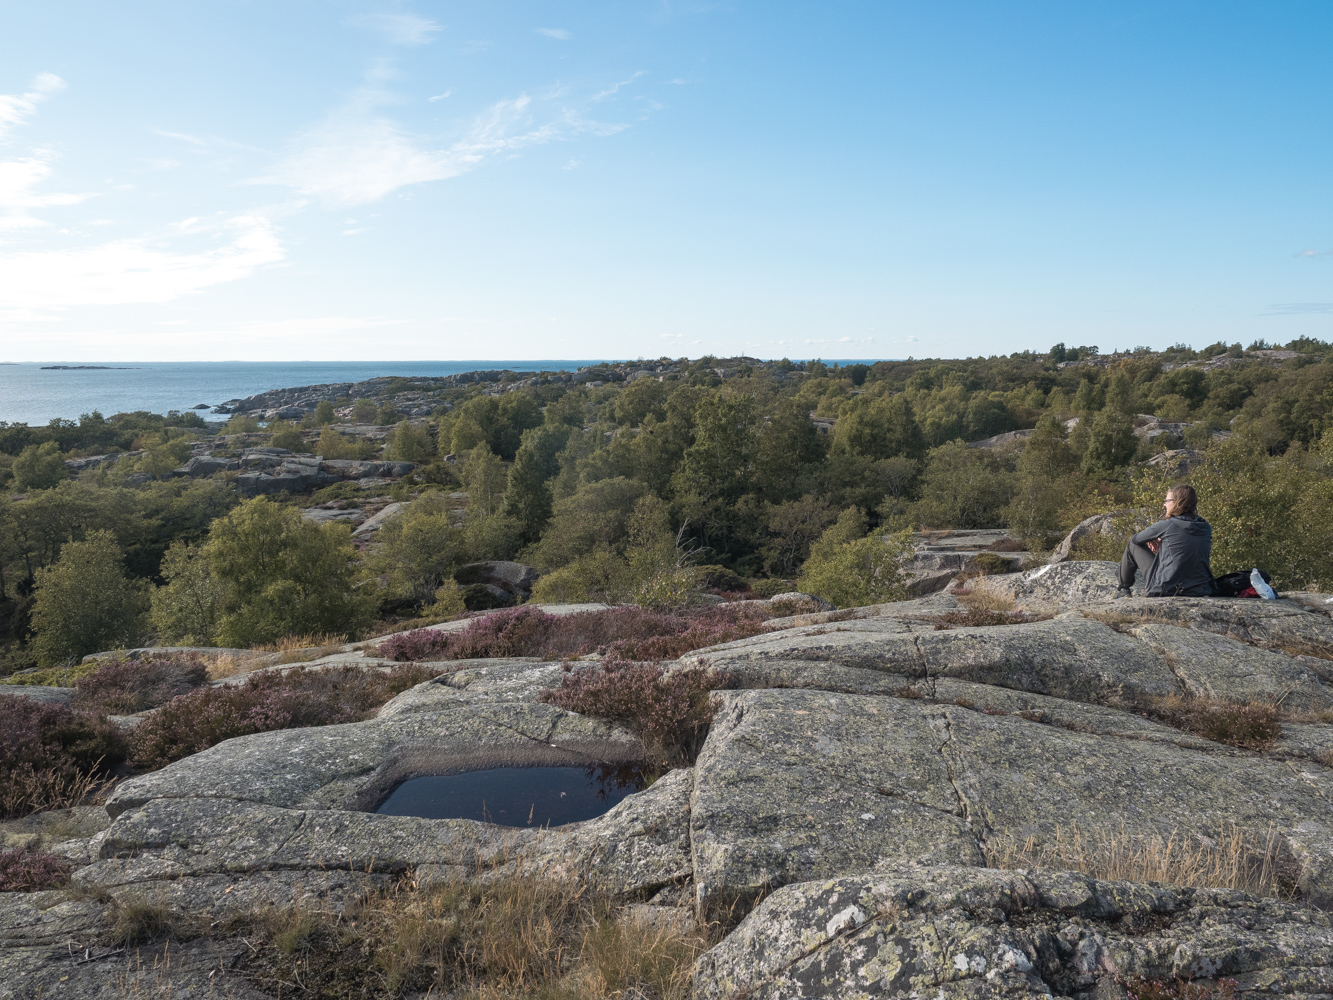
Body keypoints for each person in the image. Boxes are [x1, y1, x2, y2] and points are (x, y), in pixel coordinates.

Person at [1114, 485, 1214, 598]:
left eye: (1167, 501)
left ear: (1177, 502)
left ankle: (1123, 588)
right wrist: (1162, 540)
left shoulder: (1167, 525)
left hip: (1166, 588)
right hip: (1200, 588)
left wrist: (1153, 538)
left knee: (1133, 545)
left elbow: (1136, 539)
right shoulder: (1206, 527)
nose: (1164, 504)